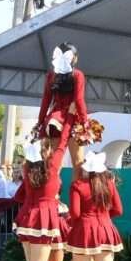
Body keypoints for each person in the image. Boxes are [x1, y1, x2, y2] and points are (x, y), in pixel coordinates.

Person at [13, 129, 70, 261]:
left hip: (29, 216)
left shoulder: (28, 169)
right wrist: (70, 120)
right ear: (46, 153)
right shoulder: (52, 168)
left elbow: (19, 196)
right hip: (44, 218)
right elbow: (62, 145)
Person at [65, 151, 125, 261]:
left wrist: (74, 222)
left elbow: (75, 213)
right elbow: (119, 210)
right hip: (106, 229)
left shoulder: (77, 185)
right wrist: (105, 217)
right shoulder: (109, 184)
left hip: (84, 232)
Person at [36, 42, 88, 170]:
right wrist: (84, 121)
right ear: (74, 58)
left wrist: (40, 121)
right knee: (78, 164)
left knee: (54, 163)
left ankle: (54, 190)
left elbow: (45, 101)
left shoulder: (50, 76)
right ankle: (76, 191)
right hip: (74, 119)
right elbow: (79, 100)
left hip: (56, 120)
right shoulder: (78, 75)